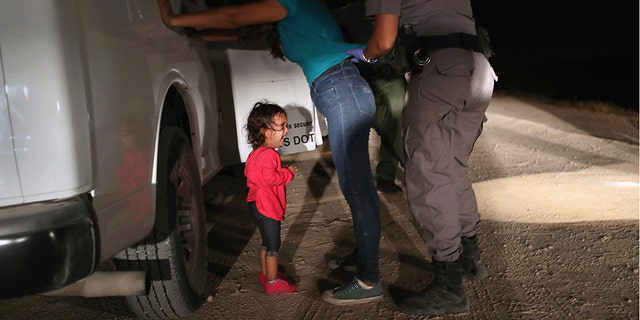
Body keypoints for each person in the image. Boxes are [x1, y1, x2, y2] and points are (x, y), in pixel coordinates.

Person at [157, 0, 384, 305]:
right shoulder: (289, 21)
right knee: (355, 186)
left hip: (342, 89)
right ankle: (364, 256)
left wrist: (172, 16)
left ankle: (369, 280)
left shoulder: (292, 3)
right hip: (338, 89)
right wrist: (195, 34)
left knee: (357, 187)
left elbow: (232, 14)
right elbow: (240, 30)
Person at [349, 0, 498, 316]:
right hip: (480, 68)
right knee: (455, 166)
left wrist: (362, 54)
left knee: (428, 173)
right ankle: (471, 259)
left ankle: (449, 287)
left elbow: (384, 40)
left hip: (438, 69)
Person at [327, 0, 406, 194]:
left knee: (396, 124)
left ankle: (387, 174)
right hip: (360, 73)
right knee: (386, 125)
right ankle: (419, 169)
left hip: (389, 72)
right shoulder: (335, 12)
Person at [244, 101, 298, 295]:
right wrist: (288, 173)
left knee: (266, 243)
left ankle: (266, 274)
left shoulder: (255, 154)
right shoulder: (269, 155)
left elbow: (251, 175)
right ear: (266, 131)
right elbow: (269, 179)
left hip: (255, 204)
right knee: (273, 246)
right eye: (282, 126)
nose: (286, 130)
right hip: (267, 207)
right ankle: (272, 282)